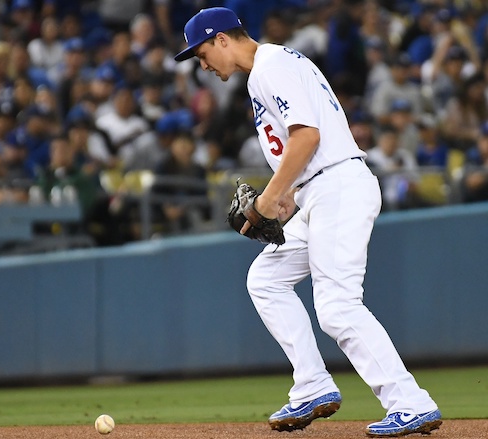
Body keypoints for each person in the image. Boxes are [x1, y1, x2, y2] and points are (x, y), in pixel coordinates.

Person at [173, 7, 441, 438]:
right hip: (321, 189)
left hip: (338, 185)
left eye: (201, 53)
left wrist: (268, 199)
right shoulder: (273, 65)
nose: (202, 64)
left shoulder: (270, 65)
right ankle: (312, 386)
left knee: (336, 307)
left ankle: (410, 403)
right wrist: (285, 202)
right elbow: (306, 149)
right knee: (266, 278)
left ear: (222, 39)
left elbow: (307, 136)